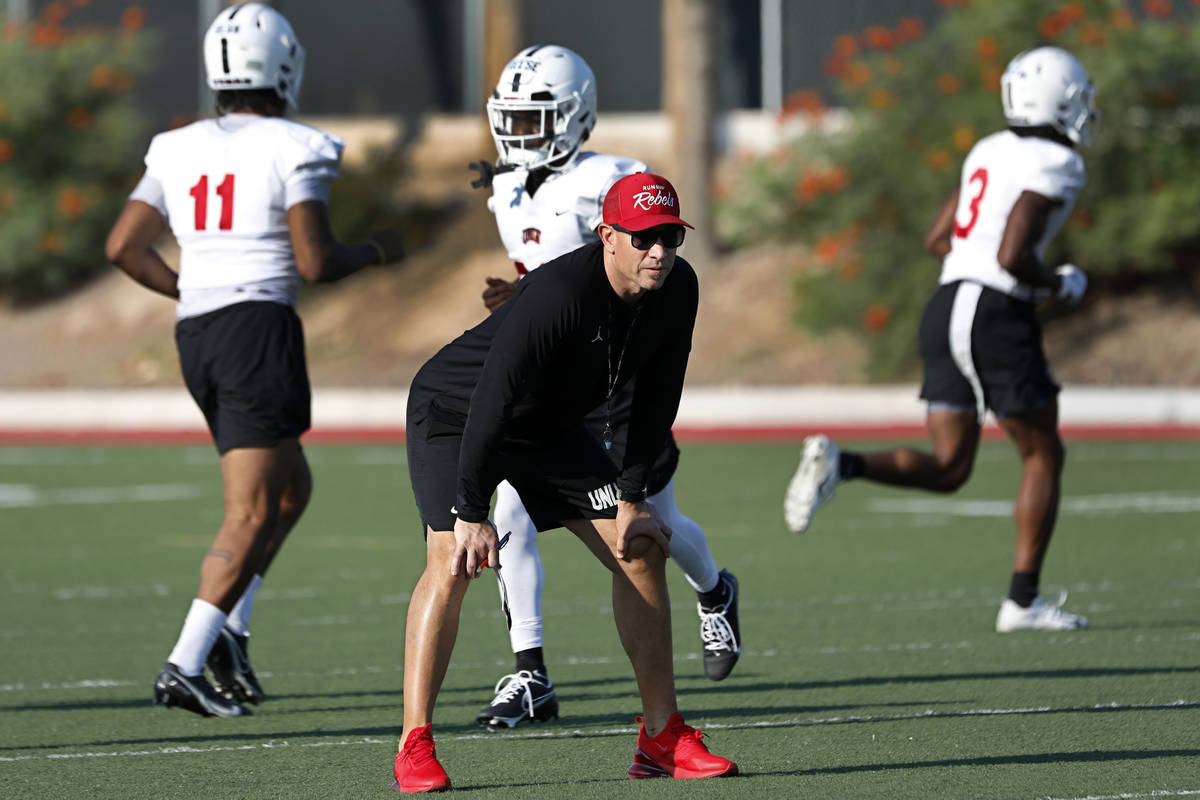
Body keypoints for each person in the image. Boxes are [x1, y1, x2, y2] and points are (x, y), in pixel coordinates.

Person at [104, 3, 405, 718]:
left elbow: (123, 246)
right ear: (285, 67)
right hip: (253, 329)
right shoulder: (295, 143)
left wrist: (194, 287)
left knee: (291, 489)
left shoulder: (175, 146)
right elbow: (314, 259)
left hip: (199, 333)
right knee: (251, 509)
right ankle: (185, 661)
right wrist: (380, 251)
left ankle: (229, 633)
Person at [394, 172, 738, 792]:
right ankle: (414, 744)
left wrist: (632, 497)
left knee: (639, 551)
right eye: (643, 238)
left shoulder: (677, 287)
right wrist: (471, 510)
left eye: (670, 237)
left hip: (547, 425)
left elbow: (660, 395)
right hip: (456, 414)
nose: (659, 251)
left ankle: (662, 736)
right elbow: (492, 401)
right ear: (608, 237)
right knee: (450, 561)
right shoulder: (559, 292)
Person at [467, 45, 741, 731]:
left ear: (576, 115)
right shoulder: (507, 185)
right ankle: (530, 673)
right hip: (550, 381)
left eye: (537, 120)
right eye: (515, 120)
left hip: (610, 379)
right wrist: (519, 292)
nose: (521, 134)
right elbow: (548, 274)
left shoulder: (612, 179)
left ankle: (715, 588)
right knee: (507, 515)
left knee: (654, 527)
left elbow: (635, 253)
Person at [784, 46, 1097, 633]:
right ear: (1059, 100)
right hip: (995, 311)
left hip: (947, 300)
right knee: (1043, 453)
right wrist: (1060, 280)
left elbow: (938, 238)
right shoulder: (1061, 161)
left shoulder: (988, 148)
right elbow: (1013, 253)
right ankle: (1022, 602)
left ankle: (842, 465)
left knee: (953, 467)